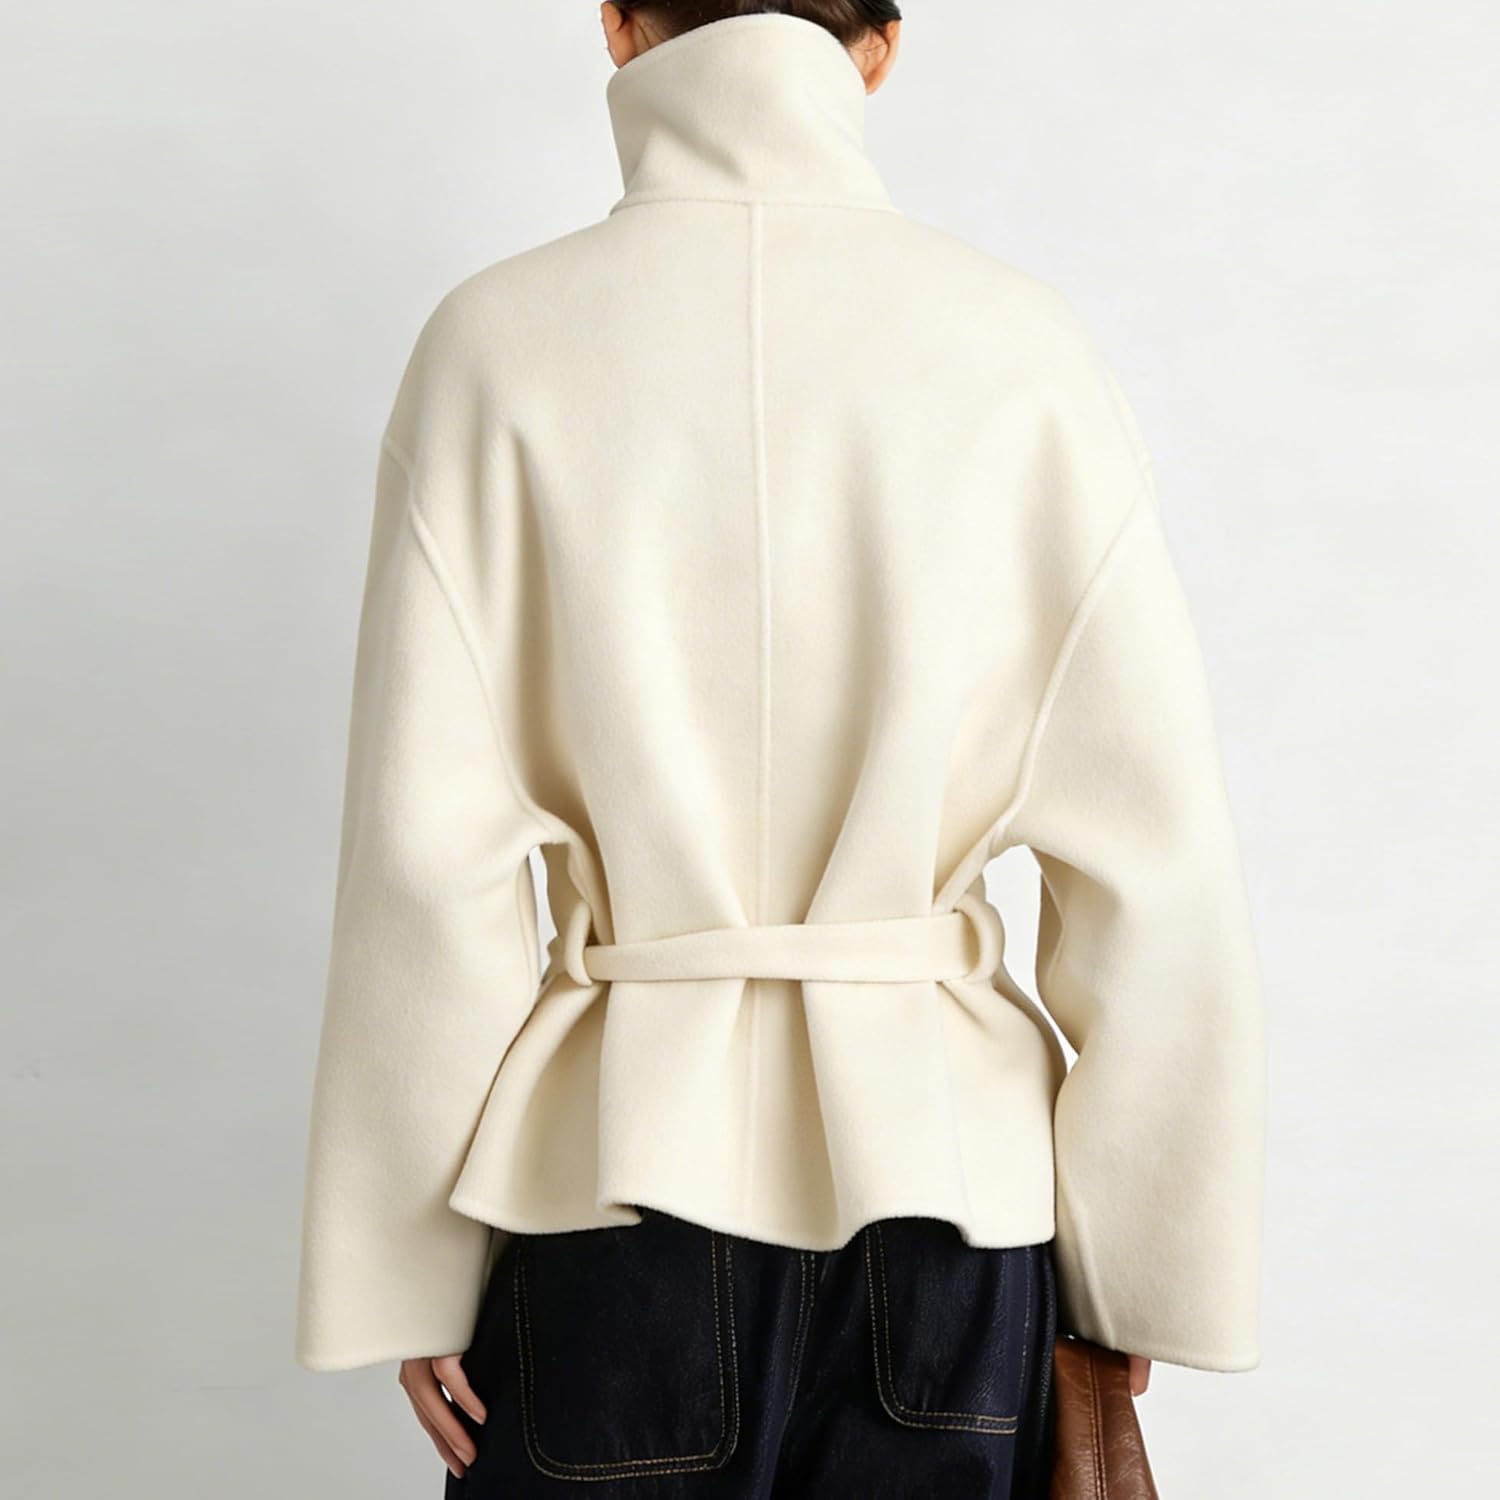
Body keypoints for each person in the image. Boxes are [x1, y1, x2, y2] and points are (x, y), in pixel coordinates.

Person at [294, 3, 1268, 1496]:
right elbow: (1154, 863)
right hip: (952, 1217)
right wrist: (1142, 1271)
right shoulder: (1022, 353)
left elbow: (430, 867)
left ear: (618, 25)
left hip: (605, 1201)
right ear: (880, 47)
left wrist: (405, 1269)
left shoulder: (494, 347)